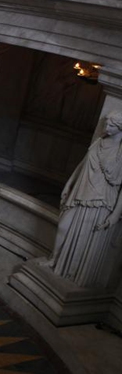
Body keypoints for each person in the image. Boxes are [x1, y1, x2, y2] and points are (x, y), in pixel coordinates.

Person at [42, 111, 122, 288]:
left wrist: (115, 214)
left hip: (100, 200)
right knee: (64, 225)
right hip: (81, 190)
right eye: (106, 123)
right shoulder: (99, 141)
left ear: (120, 128)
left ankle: (72, 272)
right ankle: (54, 259)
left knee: (83, 238)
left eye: (110, 125)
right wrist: (68, 185)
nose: (106, 127)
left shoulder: (120, 153)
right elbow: (82, 165)